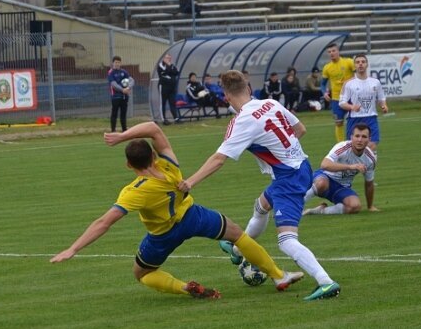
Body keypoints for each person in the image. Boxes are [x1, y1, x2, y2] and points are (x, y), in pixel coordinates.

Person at [50, 122, 304, 298]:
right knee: (237, 234)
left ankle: (184, 287)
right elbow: (153, 128)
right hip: (193, 216)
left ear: (129, 165)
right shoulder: (169, 164)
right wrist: (121, 136)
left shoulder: (134, 191)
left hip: (163, 235)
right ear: (153, 155)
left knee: (142, 274)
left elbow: (104, 222)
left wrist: (73, 248)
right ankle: (278, 275)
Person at [179, 70, 340, 302]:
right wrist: (284, 151)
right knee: (261, 205)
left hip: (289, 178)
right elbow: (300, 129)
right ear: (248, 88)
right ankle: (236, 250)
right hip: (301, 166)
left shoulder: (242, 121)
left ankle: (325, 282)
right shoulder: (270, 103)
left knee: (286, 241)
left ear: (226, 97)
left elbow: (219, 159)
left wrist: (189, 182)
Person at [303, 123, 378, 215]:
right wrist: (351, 167)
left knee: (355, 206)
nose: (360, 140)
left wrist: (370, 206)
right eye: (357, 136)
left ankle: (320, 211)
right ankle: (296, 206)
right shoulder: (342, 147)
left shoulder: (370, 159)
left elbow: (369, 183)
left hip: (342, 187)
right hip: (324, 177)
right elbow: (324, 165)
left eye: (364, 137)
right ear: (351, 137)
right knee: (321, 183)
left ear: (369, 139)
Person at [338, 54, 388, 151]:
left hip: (371, 117)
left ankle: (369, 166)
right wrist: (352, 107)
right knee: (353, 148)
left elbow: (381, 98)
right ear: (355, 66)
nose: (360, 64)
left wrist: (384, 105)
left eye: (363, 62)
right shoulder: (348, 84)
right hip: (354, 119)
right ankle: (355, 165)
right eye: (357, 62)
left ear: (367, 64)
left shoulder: (375, 82)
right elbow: (342, 102)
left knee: (372, 144)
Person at [321, 43, 355, 142]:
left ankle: (351, 141)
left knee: (353, 121)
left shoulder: (348, 62)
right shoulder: (327, 68)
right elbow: (323, 84)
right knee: (338, 122)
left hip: (351, 98)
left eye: (333, 51)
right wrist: (324, 93)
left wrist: (350, 81)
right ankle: (341, 145)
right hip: (336, 99)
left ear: (338, 51)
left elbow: (358, 75)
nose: (332, 53)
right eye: (329, 52)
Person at [108, 55, 132, 132]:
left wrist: (128, 88)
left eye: (118, 62)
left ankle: (124, 130)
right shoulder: (111, 72)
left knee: (123, 114)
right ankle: (113, 130)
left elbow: (131, 80)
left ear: (120, 63)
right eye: (116, 62)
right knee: (114, 113)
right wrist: (122, 90)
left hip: (124, 96)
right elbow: (113, 84)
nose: (117, 64)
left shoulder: (124, 72)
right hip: (115, 96)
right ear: (113, 63)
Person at [156, 53, 180, 125]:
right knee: (163, 103)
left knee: (172, 102)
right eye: (167, 58)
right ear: (164, 58)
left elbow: (176, 72)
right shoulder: (160, 65)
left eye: (169, 58)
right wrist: (169, 70)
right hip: (163, 87)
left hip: (172, 87)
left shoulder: (172, 65)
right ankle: (164, 119)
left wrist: (169, 69)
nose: (168, 59)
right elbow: (163, 73)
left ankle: (176, 118)